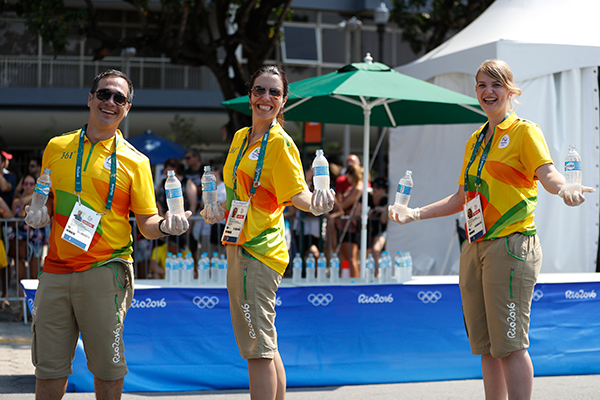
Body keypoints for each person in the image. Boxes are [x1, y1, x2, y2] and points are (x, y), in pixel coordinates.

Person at [389, 59, 595, 400]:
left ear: (511, 90)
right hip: (476, 246)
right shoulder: (475, 139)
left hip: (511, 246)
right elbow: (461, 197)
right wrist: (415, 214)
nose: (488, 92)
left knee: (510, 345)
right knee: (485, 346)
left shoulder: (524, 131)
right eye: (482, 85)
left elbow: (548, 174)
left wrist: (565, 189)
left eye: (496, 85)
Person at [24, 69, 192, 400]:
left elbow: (146, 221)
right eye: (104, 94)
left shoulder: (136, 161)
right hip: (55, 270)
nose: (110, 102)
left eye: (119, 98)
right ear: (90, 98)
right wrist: (39, 215)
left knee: (108, 370)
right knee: (48, 370)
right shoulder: (56, 147)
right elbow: (46, 201)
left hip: (105, 270)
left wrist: (166, 226)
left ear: (127, 108)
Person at [201, 65, 334, 400]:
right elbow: (234, 189)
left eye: (274, 92)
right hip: (239, 246)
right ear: (250, 96)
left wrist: (317, 204)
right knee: (263, 340)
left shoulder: (281, 144)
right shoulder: (240, 138)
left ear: (283, 101)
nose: (266, 97)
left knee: (256, 347)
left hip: (259, 251)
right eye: (260, 90)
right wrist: (215, 206)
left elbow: (298, 194)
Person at [9, 174, 47, 322]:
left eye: (32, 184)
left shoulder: (41, 200)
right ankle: (22, 311)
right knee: (20, 277)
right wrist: (19, 214)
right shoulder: (17, 201)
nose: (28, 186)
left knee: (35, 277)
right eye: (25, 183)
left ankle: (34, 312)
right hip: (20, 241)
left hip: (35, 241)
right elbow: (13, 222)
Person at [329, 164, 363, 278]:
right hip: (344, 225)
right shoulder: (351, 188)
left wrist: (335, 200)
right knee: (344, 256)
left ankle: (356, 283)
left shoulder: (358, 188)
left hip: (351, 226)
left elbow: (344, 205)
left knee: (351, 258)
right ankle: (348, 280)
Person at [368, 176, 389, 276]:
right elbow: (357, 212)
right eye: (373, 186)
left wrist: (384, 210)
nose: (375, 189)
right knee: (365, 253)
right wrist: (367, 212)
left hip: (381, 230)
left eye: (378, 187)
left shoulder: (386, 201)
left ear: (384, 190)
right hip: (367, 229)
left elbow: (383, 220)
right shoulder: (367, 198)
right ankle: (368, 275)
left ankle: (377, 275)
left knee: (376, 250)